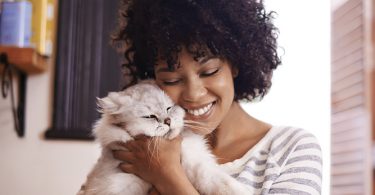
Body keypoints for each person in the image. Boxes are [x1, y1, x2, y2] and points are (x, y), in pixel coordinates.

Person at [111, 0, 322, 194]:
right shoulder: (142, 148)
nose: (194, 94)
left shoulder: (291, 148)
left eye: (209, 71)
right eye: (172, 80)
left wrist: (167, 175)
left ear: (236, 64)